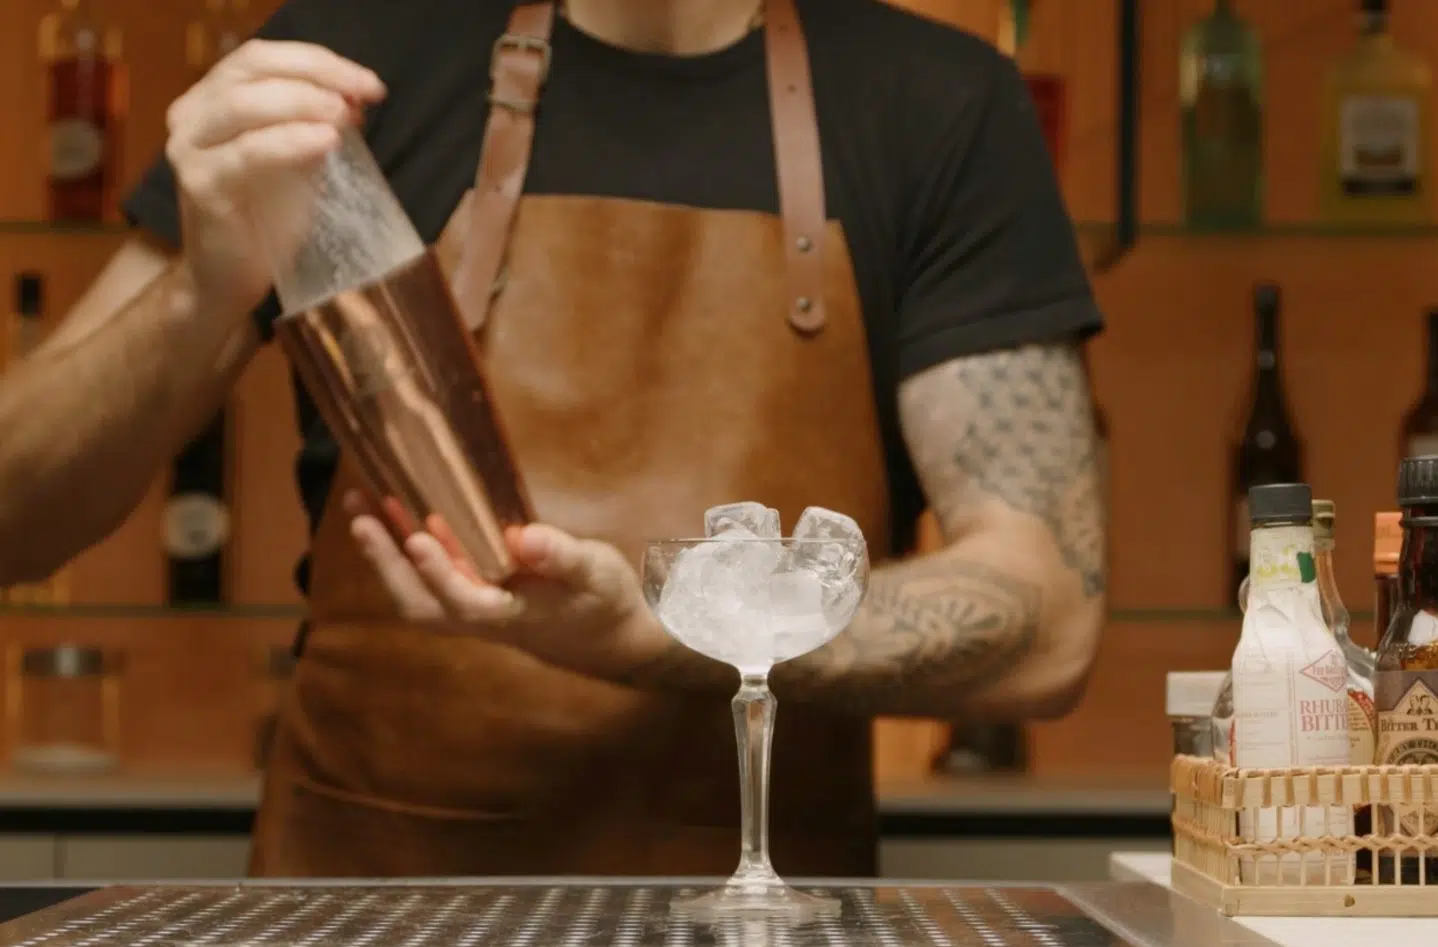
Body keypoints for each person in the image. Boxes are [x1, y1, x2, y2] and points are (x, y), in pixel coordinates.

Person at [0, 0, 1106, 877]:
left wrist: (657, 627)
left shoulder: (937, 104)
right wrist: (202, 290)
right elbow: (15, 521)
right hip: (360, 944)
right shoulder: (340, 64)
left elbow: (1048, 618)